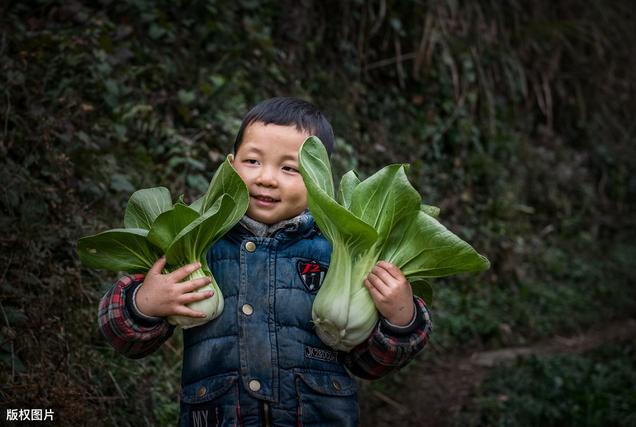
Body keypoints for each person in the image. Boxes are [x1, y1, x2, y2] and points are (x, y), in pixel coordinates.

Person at [98, 97, 432, 426]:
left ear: (318, 177)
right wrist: (144, 304)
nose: (266, 178)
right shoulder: (198, 244)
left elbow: (370, 365)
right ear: (230, 164)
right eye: (253, 162)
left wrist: (400, 319)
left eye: (289, 168)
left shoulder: (341, 253)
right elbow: (121, 335)